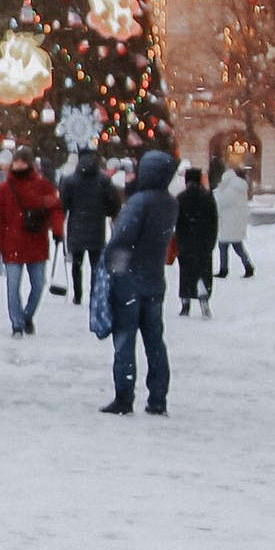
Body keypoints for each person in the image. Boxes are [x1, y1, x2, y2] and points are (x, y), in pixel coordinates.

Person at [102, 147, 178, 415]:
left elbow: (122, 239)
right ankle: (158, 397)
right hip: (154, 277)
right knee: (155, 340)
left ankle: (124, 396)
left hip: (129, 279)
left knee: (125, 339)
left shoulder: (139, 202)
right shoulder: (169, 202)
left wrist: (111, 265)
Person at [0, 145, 61, 336]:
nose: (19, 165)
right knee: (13, 287)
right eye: (17, 162)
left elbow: (54, 208)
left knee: (38, 285)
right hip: (14, 244)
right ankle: (17, 323)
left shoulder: (42, 185)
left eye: (22, 162)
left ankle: (26, 316)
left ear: (29, 164)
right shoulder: (3, 190)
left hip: (35, 242)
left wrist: (58, 229)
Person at [59, 146, 119, 305]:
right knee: (96, 264)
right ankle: (94, 293)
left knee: (76, 263)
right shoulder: (103, 180)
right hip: (97, 228)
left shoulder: (70, 180)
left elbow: (63, 205)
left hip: (76, 226)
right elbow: (113, 203)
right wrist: (106, 212)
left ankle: (77, 294)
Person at [175, 160, 218, 314]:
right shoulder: (208, 198)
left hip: (186, 242)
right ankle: (203, 296)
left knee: (186, 272)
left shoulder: (181, 198)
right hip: (203, 242)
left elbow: (177, 222)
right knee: (203, 271)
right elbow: (214, 221)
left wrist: (179, 241)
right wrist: (211, 242)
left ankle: (185, 302)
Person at [211, 155, 254, 280]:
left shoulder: (231, 189)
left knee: (224, 246)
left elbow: (220, 202)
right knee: (237, 246)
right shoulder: (238, 187)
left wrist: (217, 192)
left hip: (228, 223)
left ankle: (225, 269)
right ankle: (247, 266)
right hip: (234, 222)